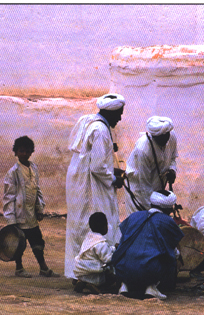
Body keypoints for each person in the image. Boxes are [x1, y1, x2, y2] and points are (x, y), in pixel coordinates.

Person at [65, 93, 125, 280]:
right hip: (90, 186)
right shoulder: (100, 130)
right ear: (111, 112)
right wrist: (115, 179)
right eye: (119, 114)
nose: (120, 118)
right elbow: (98, 167)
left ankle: (80, 273)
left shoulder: (90, 122)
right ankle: (91, 274)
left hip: (81, 181)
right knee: (96, 225)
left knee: (82, 224)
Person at [110, 190, 184, 300]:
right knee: (171, 257)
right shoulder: (167, 221)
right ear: (169, 208)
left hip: (122, 269)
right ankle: (151, 287)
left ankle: (124, 286)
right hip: (150, 271)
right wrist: (178, 256)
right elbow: (171, 249)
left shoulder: (134, 215)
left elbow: (123, 240)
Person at [3, 136, 59, 278]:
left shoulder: (34, 168)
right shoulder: (13, 173)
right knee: (19, 243)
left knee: (37, 241)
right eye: (21, 151)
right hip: (19, 215)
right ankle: (19, 268)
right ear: (16, 152)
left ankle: (44, 268)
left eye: (28, 151)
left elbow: (37, 189)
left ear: (31, 152)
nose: (25, 154)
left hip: (31, 214)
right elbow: (9, 197)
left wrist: (40, 209)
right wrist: (11, 220)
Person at [124, 116, 178, 214]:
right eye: (161, 138)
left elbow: (173, 158)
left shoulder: (171, 136)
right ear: (153, 136)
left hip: (157, 188)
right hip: (138, 191)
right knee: (141, 220)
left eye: (166, 136)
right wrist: (154, 210)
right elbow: (144, 186)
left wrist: (172, 170)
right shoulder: (143, 149)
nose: (165, 140)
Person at [73, 212, 117, 294]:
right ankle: (97, 286)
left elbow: (102, 251)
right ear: (104, 227)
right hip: (96, 275)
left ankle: (83, 282)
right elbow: (108, 259)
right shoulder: (101, 243)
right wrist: (117, 252)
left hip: (84, 272)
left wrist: (114, 248)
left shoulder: (89, 239)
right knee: (114, 275)